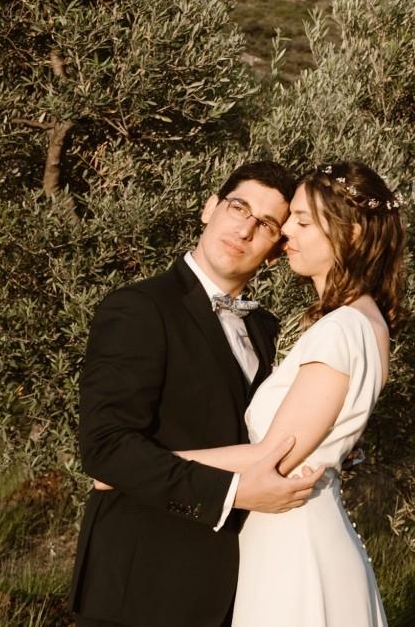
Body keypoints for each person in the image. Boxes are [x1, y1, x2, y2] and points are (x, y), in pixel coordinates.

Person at [70, 161, 327, 627]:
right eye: (237, 207)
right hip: (139, 588)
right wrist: (234, 492)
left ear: (275, 249)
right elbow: (105, 448)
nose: (245, 229)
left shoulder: (263, 327)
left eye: (265, 224)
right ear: (209, 209)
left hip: (229, 588)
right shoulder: (139, 308)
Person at [163, 160, 405, 627]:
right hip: (288, 535)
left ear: (351, 234)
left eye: (302, 221)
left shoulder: (343, 328)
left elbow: (275, 456)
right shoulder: (361, 321)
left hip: (295, 552)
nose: (284, 233)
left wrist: (147, 464)